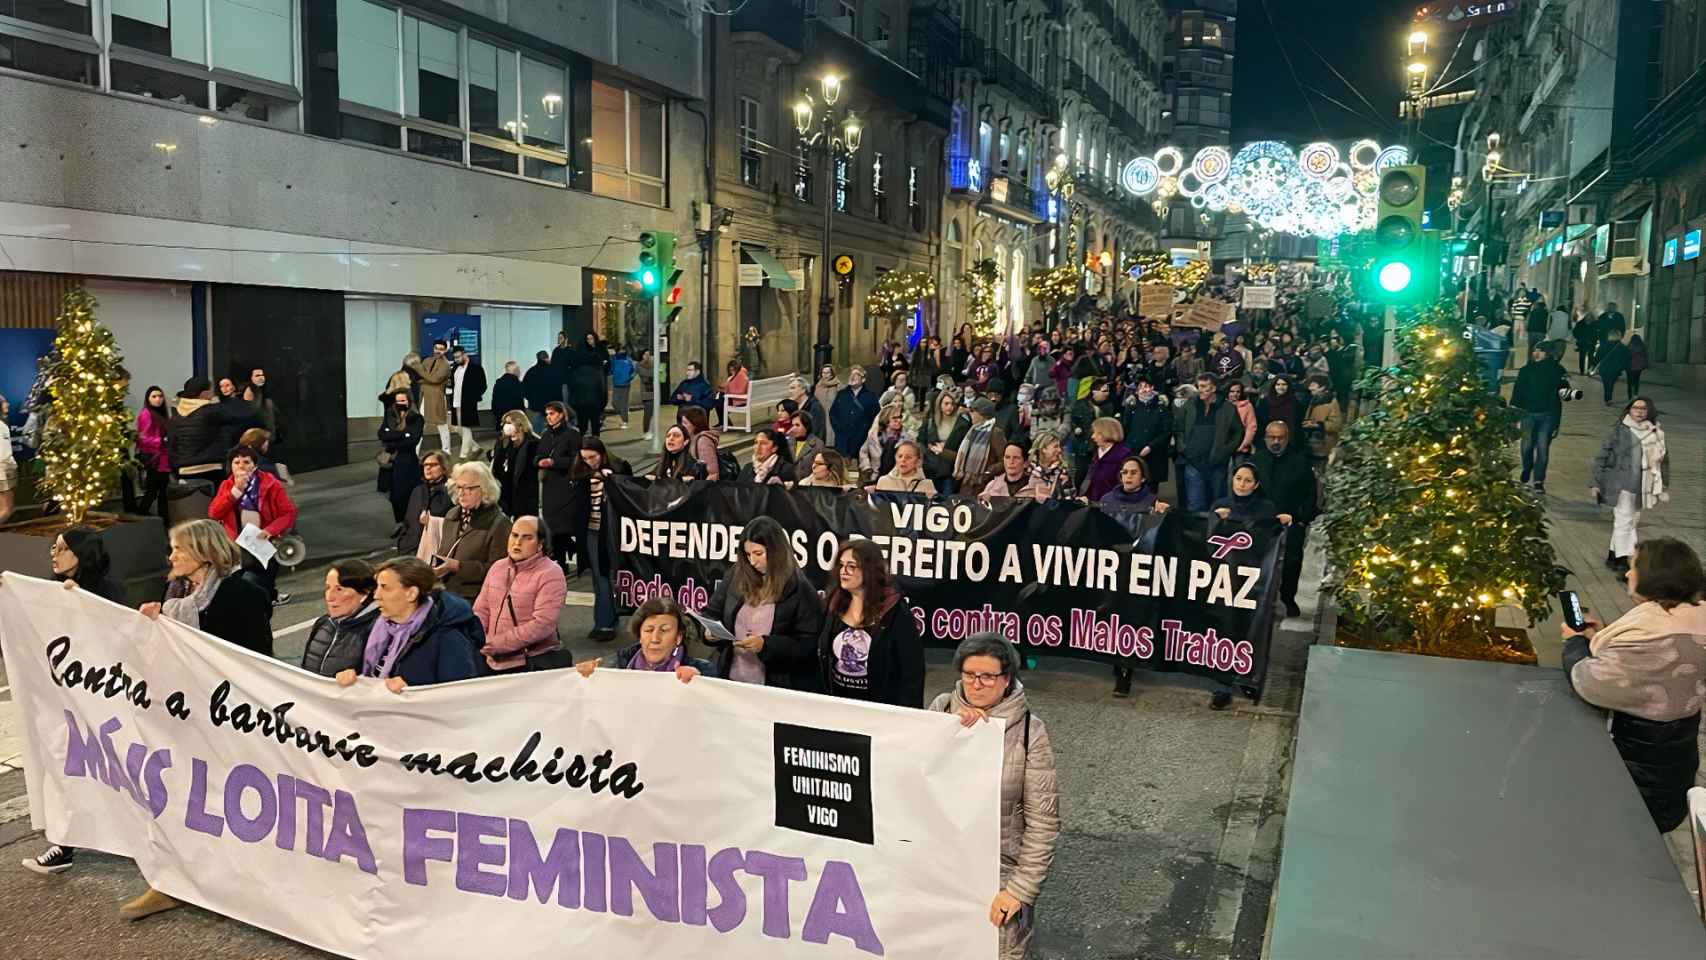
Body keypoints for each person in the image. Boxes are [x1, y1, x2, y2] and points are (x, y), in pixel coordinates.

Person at [928, 634, 1060, 960]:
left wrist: (1020, 890)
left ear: (1006, 679)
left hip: (998, 876)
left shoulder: (1031, 730)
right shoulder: (941, 709)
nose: (977, 684)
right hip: (943, 869)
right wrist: (951, 733)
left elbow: (1044, 822)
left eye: (987, 676)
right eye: (970, 674)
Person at [1561, 537, 1706, 832]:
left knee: (1630, 838)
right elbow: (1650, 663)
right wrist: (1599, 639)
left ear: (1653, 577)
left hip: (1638, 774)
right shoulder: (1689, 617)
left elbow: (1589, 680)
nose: (1627, 574)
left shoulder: (1650, 637)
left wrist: (1573, 642)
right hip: (1676, 760)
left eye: (1632, 567)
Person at [699, 516, 826, 689]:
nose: (752, 561)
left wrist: (766, 646)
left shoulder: (801, 589)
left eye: (758, 554)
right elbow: (711, 613)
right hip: (730, 680)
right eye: (748, 554)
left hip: (776, 688)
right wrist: (708, 633)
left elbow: (808, 646)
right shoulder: (736, 575)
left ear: (776, 551)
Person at [333, 556, 481, 693]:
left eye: (385, 587)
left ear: (411, 593)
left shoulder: (448, 638)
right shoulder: (377, 626)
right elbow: (367, 670)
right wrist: (351, 674)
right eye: (377, 587)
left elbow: (461, 696)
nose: (376, 596)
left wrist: (412, 688)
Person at [141, 519, 272, 655]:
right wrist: (150, 623)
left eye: (179, 549)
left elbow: (257, 657)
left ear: (205, 551)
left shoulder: (243, 594)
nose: (172, 557)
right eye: (172, 549)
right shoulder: (173, 590)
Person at [818, 538, 924, 707]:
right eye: (841, 565)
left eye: (851, 566)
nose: (843, 571)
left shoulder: (895, 611)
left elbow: (911, 674)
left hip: (879, 711)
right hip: (837, 706)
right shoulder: (834, 603)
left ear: (869, 570)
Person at [471, 516, 568, 673]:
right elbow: (481, 610)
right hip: (488, 659)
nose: (517, 543)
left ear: (540, 544)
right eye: (514, 535)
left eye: (527, 538)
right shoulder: (498, 567)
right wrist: (478, 639)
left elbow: (542, 624)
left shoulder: (551, 573)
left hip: (527, 664)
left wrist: (496, 644)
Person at [208, 443, 297, 605]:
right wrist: (235, 491)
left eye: (246, 462)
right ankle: (262, 599)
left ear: (255, 465)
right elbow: (214, 513)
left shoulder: (271, 484)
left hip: (264, 539)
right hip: (237, 541)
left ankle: (267, 596)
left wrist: (270, 530)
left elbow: (288, 512)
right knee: (247, 578)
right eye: (236, 462)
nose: (241, 466)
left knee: (262, 574)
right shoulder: (227, 486)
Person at [1591, 397, 1669, 577]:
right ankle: (1624, 561)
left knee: (1631, 521)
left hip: (1643, 486)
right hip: (1621, 485)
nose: (1640, 412)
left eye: (1644, 409)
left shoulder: (1655, 433)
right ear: (1629, 410)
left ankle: (1612, 555)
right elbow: (1601, 457)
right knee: (1624, 522)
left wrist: (1663, 484)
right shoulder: (1619, 432)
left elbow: (1663, 461)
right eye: (1636, 408)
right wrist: (1595, 482)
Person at [1250, 422, 1317, 619]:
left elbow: (1311, 495)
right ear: (1265, 438)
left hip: (1290, 521)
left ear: (1287, 438)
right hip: (1261, 521)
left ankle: (1288, 599)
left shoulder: (1300, 463)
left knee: (1292, 562)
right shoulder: (1256, 461)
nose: (1276, 442)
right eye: (1272, 437)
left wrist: (1299, 519)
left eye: (1280, 438)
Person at [569, 437, 632, 640]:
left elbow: (630, 494)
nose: (589, 461)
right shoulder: (580, 472)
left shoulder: (620, 467)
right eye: (585, 458)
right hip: (590, 530)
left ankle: (605, 622)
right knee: (599, 575)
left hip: (611, 530)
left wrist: (611, 481)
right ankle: (605, 620)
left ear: (602, 454)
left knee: (605, 574)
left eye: (592, 457)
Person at [576, 595, 716, 680]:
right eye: (648, 630)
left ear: (678, 638)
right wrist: (589, 672)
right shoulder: (617, 664)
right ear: (640, 636)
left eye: (664, 630)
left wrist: (700, 680)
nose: (655, 639)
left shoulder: (702, 669)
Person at [435, 460, 512, 601]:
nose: (461, 494)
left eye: (468, 488)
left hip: (476, 598)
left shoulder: (500, 523)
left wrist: (459, 567)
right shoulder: (451, 515)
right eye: (458, 487)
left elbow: (499, 570)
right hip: (445, 594)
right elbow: (445, 551)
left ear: (484, 490)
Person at [170, 376, 257, 486]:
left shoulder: (176, 415)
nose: (213, 393)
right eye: (211, 390)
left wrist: (175, 469)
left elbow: (171, 445)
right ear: (203, 394)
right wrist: (247, 402)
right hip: (210, 468)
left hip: (183, 470)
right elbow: (243, 417)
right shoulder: (212, 410)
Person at [301, 560, 381, 677]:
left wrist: (357, 678)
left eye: (339, 589)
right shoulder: (323, 623)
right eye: (328, 587)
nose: (329, 597)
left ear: (365, 593)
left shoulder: (378, 630)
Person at [1174, 375, 1242, 512]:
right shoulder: (1190, 405)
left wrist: (1225, 451)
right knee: (1195, 505)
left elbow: (1238, 432)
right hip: (1193, 462)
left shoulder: (1228, 407)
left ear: (1214, 388)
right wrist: (1183, 448)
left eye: (1204, 387)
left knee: (1218, 504)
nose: (1200, 390)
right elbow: (1178, 428)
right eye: (1199, 386)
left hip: (1217, 463)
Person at [1509, 345, 1571, 492]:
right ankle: (1527, 467)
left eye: (1540, 351)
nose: (1536, 353)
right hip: (1527, 414)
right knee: (1526, 446)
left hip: (1548, 415)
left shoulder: (1557, 370)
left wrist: (1567, 390)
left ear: (1547, 354)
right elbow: (1518, 392)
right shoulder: (1526, 370)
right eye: (1535, 350)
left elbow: (1564, 394)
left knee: (1543, 450)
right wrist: (1513, 413)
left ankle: (1538, 480)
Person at [535, 402, 583, 565]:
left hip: (565, 486)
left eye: (552, 414)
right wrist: (539, 461)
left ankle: (562, 560)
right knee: (552, 526)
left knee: (562, 527)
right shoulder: (545, 435)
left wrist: (554, 462)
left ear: (562, 414)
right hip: (549, 486)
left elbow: (576, 459)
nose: (548, 417)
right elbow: (538, 455)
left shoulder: (572, 434)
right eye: (547, 414)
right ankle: (560, 558)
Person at [378, 390, 425, 528]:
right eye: (397, 401)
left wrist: (392, 437)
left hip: (407, 461)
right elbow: (382, 434)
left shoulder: (416, 418)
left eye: (403, 401)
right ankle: (399, 522)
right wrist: (402, 435)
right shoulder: (389, 415)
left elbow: (413, 440)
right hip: (389, 462)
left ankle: (409, 523)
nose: (400, 404)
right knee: (391, 494)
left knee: (406, 494)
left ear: (409, 401)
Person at [1120, 376, 1171, 493]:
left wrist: (1150, 446)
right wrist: (1128, 448)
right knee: (1134, 485)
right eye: (1140, 387)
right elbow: (1125, 429)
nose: (1144, 390)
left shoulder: (1161, 407)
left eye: (1147, 386)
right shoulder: (1131, 407)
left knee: (1152, 486)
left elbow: (1167, 431)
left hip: (1155, 454)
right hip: (1134, 452)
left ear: (1152, 388)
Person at [49, 527, 126, 603]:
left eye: (65, 548)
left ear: (83, 553)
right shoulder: (53, 584)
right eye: (54, 547)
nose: (54, 554)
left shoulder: (108, 590)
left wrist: (81, 596)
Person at [400, 450, 452, 557]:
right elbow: (408, 521)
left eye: (433, 465)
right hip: (410, 550)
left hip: (437, 551)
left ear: (444, 468)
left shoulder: (451, 492)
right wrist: (403, 543)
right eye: (425, 465)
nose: (428, 468)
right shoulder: (417, 491)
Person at [489, 409, 540, 520]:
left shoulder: (533, 443)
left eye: (509, 422)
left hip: (525, 495)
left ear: (520, 424)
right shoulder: (503, 442)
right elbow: (497, 464)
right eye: (505, 423)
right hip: (505, 493)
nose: (506, 426)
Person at [131, 386, 172, 522]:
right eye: (154, 396)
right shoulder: (146, 414)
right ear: (148, 399)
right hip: (155, 458)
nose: (158, 399)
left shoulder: (160, 414)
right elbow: (142, 438)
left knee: (158, 489)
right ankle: (154, 516)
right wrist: (161, 441)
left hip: (161, 457)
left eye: (160, 396)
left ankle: (157, 516)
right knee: (156, 489)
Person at [407, 340, 454, 455]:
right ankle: (415, 451)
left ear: (445, 350)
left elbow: (435, 379)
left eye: (441, 349)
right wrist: (425, 378)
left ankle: (446, 450)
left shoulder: (445, 365)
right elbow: (420, 377)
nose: (438, 351)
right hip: (423, 397)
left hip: (436, 398)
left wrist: (421, 375)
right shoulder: (427, 360)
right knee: (420, 424)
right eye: (436, 348)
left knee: (441, 424)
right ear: (433, 348)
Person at [919, 389, 972, 490]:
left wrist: (945, 450)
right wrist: (927, 452)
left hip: (949, 470)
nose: (950, 407)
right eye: (946, 403)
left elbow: (963, 448)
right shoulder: (930, 421)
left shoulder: (962, 423)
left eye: (952, 404)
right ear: (939, 404)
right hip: (930, 468)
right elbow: (921, 441)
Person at [954, 398, 1008, 492]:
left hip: (984, 485)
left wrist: (987, 473)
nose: (971, 414)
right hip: (967, 482)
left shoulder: (995, 433)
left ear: (982, 414)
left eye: (973, 411)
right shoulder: (973, 430)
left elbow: (1004, 459)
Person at [1079, 417, 1134, 503]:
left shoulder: (1124, 455)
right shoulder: (1094, 454)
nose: (1092, 437)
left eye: (1097, 433)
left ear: (1107, 433)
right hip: (1091, 503)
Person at [830, 366, 881, 458]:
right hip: (842, 440)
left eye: (857, 374)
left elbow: (876, 416)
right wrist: (839, 430)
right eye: (851, 374)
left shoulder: (871, 396)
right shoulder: (841, 394)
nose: (852, 377)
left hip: (862, 440)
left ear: (863, 379)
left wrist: (866, 431)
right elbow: (833, 414)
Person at [566, 333, 608, 436]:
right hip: (595, 402)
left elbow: (571, 388)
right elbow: (602, 388)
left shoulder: (576, 371)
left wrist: (573, 403)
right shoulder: (598, 370)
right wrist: (603, 403)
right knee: (595, 429)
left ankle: (582, 448)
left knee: (582, 428)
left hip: (580, 403)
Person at [1300, 375, 1343, 463]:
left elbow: (1337, 425)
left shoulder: (1331, 402)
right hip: (1309, 444)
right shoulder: (1313, 400)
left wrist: (1318, 425)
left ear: (1322, 387)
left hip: (1323, 445)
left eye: (1313, 385)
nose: (1310, 388)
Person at [679, 405, 724, 481]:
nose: (682, 426)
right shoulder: (690, 439)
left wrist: (699, 489)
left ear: (695, 424)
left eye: (685, 423)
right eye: (682, 423)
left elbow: (713, 474)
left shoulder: (703, 442)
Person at [522, 350, 561, 435]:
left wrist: (530, 399)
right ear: (547, 358)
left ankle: (535, 445)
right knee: (551, 431)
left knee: (535, 432)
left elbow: (524, 388)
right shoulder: (553, 371)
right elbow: (557, 388)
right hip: (551, 406)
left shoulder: (531, 372)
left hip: (535, 406)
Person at [1029, 432, 1074, 501]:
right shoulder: (1027, 470)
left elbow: (1069, 500)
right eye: (1055, 446)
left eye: (1059, 447)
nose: (1059, 450)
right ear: (1044, 449)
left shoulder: (1062, 473)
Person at [1591, 328, 1631, 406]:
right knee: (1611, 383)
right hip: (1615, 369)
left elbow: (1597, 357)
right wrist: (1624, 368)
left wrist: (1593, 365)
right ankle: (1609, 398)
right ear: (1619, 336)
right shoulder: (1622, 347)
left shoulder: (1603, 346)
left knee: (1606, 384)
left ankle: (1607, 398)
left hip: (1604, 369)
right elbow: (1627, 359)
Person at [812, 365, 842, 445]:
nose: (825, 375)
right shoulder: (818, 385)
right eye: (823, 373)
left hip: (833, 415)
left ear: (832, 374)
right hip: (820, 414)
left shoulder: (838, 385)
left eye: (827, 373)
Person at [491, 360, 525, 424]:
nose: (520, 372)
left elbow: (494, 400)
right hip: (515, 417)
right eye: (518, 370)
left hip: (500, 416)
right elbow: (520, 403)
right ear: (515, 371)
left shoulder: (498, 383)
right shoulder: (518, 384)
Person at [718, 358, 749, 427]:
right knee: (719, 399)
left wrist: (728, 392)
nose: (732, 372)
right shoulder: (738, 375)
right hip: (737, 398)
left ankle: (725, 423)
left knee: (719, 401)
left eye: (733, 370)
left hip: (740, 401)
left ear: (737, 368)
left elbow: (740, 391)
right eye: (730, 370)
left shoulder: (742, 375)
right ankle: (724, 422)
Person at [609, 346, 635, 430]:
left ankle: (625, 421)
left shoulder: (629, 360)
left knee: (623, 404)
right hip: (616, 384)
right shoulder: (614, 360)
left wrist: (629, 378)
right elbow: (611, 370)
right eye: (620, 350)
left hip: (625, 385)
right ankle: (623, 414)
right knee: (614, 402)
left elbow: (634, 371)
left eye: (623, 350)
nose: (622, 351)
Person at [1571, 310, 1599, 375]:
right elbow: (1575, 332)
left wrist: (1596, 339)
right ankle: (1582, 371)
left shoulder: (1595, 324)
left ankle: (1589, 370)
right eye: (1588, 316)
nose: (1589, 318)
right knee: (1582, 357)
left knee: (1591, 357)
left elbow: (1598, 333)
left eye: (1590, 317)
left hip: (1592, 342)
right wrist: (1579, 338)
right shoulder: (1580, 323)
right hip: (1583, 342)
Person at [1626, 331, 1649, 399]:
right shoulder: (1642, 346)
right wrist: (1645, 365)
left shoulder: (1629, 346)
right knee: (1636, 381)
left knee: (1629, 382)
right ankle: (1635, 394)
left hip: (1629, 367)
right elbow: (1645, 356)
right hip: (1639, 367)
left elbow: (1626, 357)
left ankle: (1630, 396)